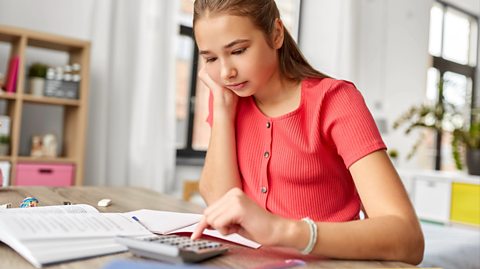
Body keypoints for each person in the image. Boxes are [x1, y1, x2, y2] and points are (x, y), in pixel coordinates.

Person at [190, 0, 424, 264]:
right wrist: (222, 111)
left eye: (239, 50)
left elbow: (407, 240)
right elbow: (223, 206)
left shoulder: (334, 101)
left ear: (276, 34)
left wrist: (283, 230)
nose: (225, 73)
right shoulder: (229, 99)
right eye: (210, 58)